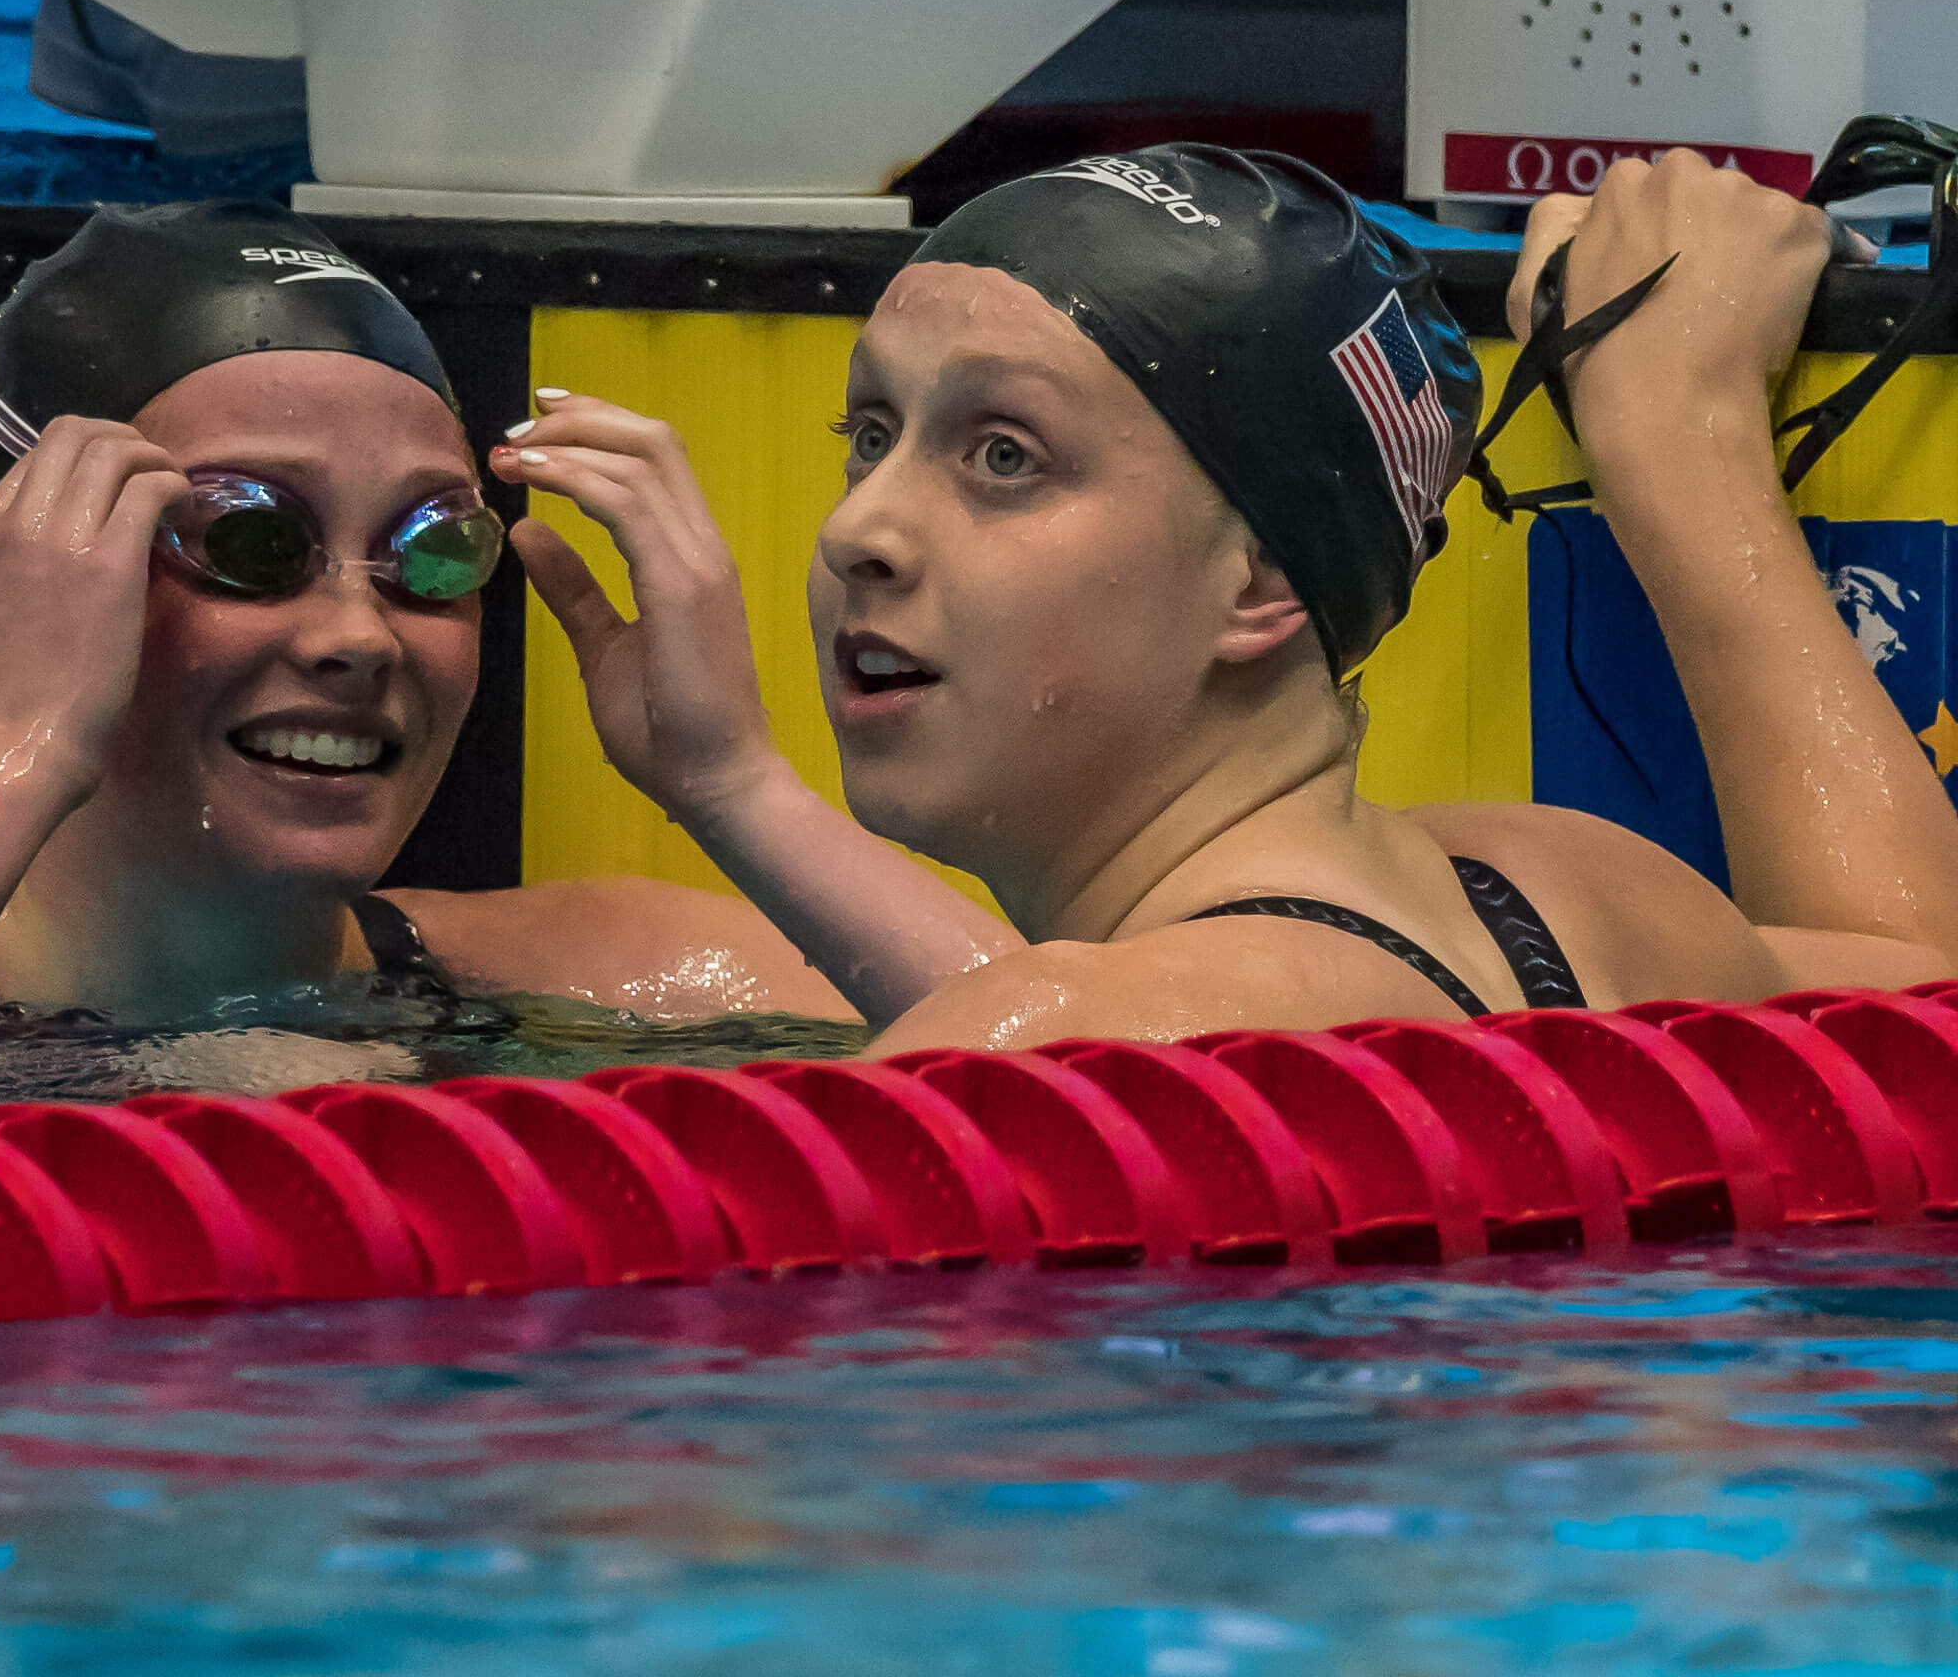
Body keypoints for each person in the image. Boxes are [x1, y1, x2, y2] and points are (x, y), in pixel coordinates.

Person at [494, 145, 1958, 1051]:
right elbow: (1919, 1002)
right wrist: (1680, 434)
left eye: (1003, 456)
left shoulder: (1037, 1063)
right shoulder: (1577, 900)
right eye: (869, 435)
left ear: (1259, 581)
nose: (861, 529)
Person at [0, 199, 850, 1051]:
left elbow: (1044, 1060)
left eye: (433, 550)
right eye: (249, 539)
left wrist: (737, 786)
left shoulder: (602, 965)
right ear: (39, 561)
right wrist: (7, 747)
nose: (360, 635)